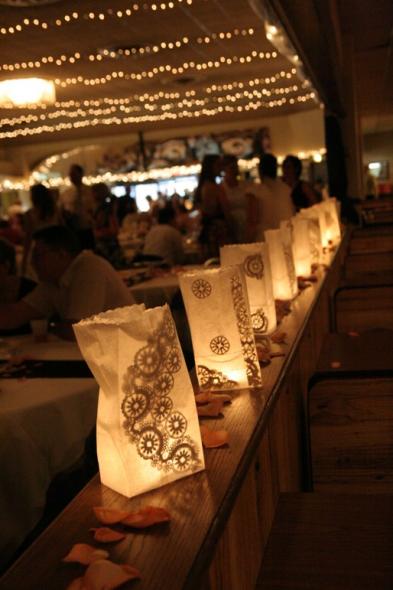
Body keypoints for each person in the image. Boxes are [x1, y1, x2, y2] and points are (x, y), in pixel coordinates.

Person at [0, 226, 134, 340]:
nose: (32, 263)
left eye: (38, 256)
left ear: (61, 254)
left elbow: (77, 330)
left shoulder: (89, 268)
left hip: (128, 348)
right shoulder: (51, 282)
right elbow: (13, 316)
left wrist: (50, 325)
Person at [194, 154, 233, 259]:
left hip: (209, 230)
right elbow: (225, 210)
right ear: (210, 167)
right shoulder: (214, 187)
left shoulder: (203, 186)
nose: (221, 168)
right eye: (218, 165)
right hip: (218, 231)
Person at [253, 154, 295, 239]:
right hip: (286, 236)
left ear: (260, 170)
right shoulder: (286, 189)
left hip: (266, 239)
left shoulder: (256, 192)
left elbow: (251, 223)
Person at [22, 183, 59, 275]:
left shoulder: (30, 214)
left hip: (40, 250)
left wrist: (24, 259)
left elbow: (28, 239)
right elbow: (62, 229)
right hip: (56, 247)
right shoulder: (54, 211)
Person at [221, 154, 257, 243]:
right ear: (225, 169)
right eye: (231, 167)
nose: (234, 170)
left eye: (235, 166)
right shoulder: (222, 188)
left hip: (246, 224)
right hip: (232, 227)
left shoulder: (245, 185)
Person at [59, 164, 95, 249]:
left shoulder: (90, 191)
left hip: (88, 229)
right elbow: (61, 209)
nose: (71, 177)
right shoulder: (66, 193)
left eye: (74, 174)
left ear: (81, 174)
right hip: (72, 229)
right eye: (70, 175)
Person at [91, 182, 120, 263]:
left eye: (92, 192)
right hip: (106, 245)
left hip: (107, 246)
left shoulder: (105, 209)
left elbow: (114, 230)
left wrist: (97, 232)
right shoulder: (101, 209)